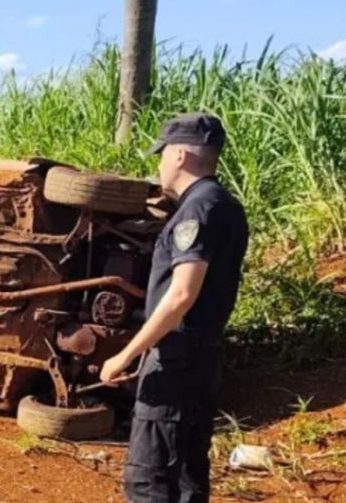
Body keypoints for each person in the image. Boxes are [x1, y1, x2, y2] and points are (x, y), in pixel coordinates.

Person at [99, 113, 249, 502]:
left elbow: (182, 293)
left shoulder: (196, 210)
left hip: (175, 361)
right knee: (187, 476)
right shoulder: (225, 205)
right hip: (204, 358)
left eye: (162, 154)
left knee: (150, 480)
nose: (160, 164)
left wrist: (127, 354)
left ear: (180, 155)